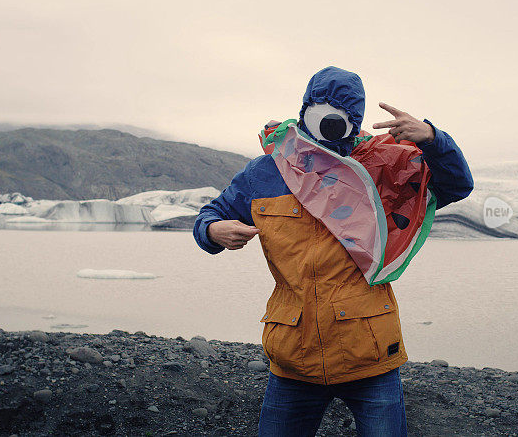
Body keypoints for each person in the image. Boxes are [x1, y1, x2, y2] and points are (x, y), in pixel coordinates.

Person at [193, 66, 473, 436]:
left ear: (354, 121)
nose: (329, 121)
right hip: (294, 357)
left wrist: (434, 139)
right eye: (321, 108)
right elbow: (211, 215)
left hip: (369, 356)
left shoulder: (379, 166)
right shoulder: (268, 170)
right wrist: (213, 230)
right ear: (306, 106)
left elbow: (456, 185)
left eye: (339, 115)